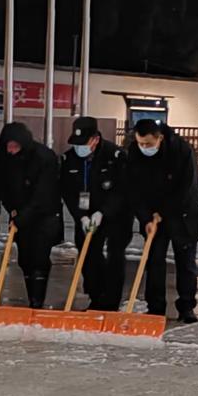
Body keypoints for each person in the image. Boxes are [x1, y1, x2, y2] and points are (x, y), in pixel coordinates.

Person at [128, 119, 198, 323]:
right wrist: (146, 217)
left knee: (185, 262)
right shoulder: (134, 153)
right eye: (140, 143)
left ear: (160, 138)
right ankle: (155, 308)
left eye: (148, 144)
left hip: (184, 215)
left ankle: (187, 307)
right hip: (153, 217)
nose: (143, 147)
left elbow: (186, 189)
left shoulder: (182, 151)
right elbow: (134, 190)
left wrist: (162, 212)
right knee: (153, 261)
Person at [61, 117, 133, 311]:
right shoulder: (70, 159)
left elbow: (122, 191)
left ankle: (110, 303)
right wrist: (80, 216)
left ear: (95, 139)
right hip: (85, 216)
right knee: (88, 256)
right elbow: (67, 192)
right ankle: (95, 297)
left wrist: (103, 213)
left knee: (114, 256)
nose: (79, 148)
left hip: (116, 216)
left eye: (83, 143)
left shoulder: (115, 156)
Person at [0, 122, 63, 309]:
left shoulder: (44, 158)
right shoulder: (5, 158)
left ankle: (38, 301)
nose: (11, 151)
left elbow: (43, 194)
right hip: (20, 216)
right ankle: (31, 297)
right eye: (8, 146)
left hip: (44, 215)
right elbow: (3, 188)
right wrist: (11, 209)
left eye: (15, 146)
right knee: (25, 259)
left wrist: (22, 216)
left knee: (39, 258)